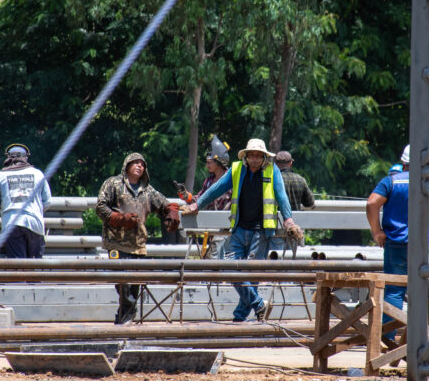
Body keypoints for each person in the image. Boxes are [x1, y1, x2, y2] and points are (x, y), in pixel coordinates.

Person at [186, 139, 303, 322]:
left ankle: (239, 318)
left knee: (251, 276)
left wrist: (288, 220)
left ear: (264, 158)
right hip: (239, 229)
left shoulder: (273, 172)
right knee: (228, 268)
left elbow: (282, 196)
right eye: (252, 156)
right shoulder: (237, 169)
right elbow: (216, 189)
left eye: (258, 156)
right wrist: (197, 204)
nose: (255, 159)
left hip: (261, 232)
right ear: (246, 157)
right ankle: (259, 305)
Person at [366, 144, 429, 341]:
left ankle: (387, 339)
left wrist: (377, 232)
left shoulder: (391, 182)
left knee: (394, 290)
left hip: (399, 243)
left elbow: (372, 203)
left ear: (403, 163)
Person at [96, 152, 182, 324]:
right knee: (122, 283)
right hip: (116, 243)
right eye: (135, 163)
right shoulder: (113, 183)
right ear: (127, 166)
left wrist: (173, 212)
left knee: (135, 284)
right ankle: (127, 314)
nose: (139, 166)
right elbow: (100, 206)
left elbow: (165, 204)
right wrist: (118, 218)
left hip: (138, 244)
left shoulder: (148, 190)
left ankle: (124, 317)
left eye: (142, 164)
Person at [0, 143, 51, 258]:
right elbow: (47, 202)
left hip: (11, 224)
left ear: (8, 158)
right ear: (26, 157)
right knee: (35, 266)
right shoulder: (38, 174)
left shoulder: (1, 175)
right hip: (35, 224)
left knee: (17, 269)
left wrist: (5, 207)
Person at [196, 135, 232, 211]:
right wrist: (187, 197)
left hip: (228, 221)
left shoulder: (231, 178)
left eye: (209, 163)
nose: (207, 165)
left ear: (218, 162)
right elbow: (200, 199)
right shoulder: (208, 182)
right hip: (211, 221)